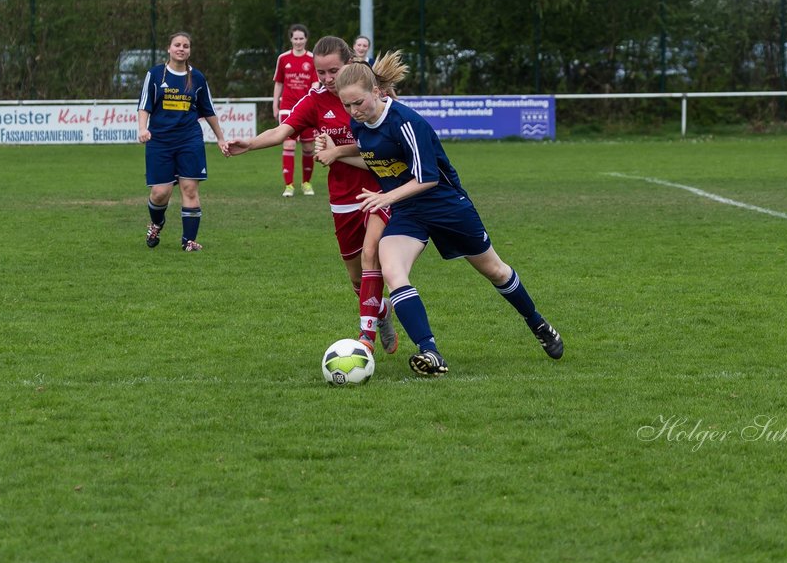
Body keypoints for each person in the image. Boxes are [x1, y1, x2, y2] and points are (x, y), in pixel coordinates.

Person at [328, 53, 564, 376]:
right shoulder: (360, 124)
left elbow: (428, 178)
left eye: (358, 103)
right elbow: (376, 158)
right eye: (347, 106)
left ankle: (538, 323)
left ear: (377, 92)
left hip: (446, 205)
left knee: (495, 271)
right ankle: (430, 352)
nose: (353, 111)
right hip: (407, 211)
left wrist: (385, 197)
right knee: (393, 270)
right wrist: (339, 154)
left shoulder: (407, 122)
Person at [227, 35, 398, 354]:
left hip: (380, 188)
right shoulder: (315, 100)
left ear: (348, 64)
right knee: (357, 281)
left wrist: (336, 152)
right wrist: (249, 144)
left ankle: (366, 339)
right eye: (321, 73)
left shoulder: (371, 94)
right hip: (343, 196)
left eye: (333, 71)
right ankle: (382, 311)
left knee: (370, 252)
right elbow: (282, 132)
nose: (327, 79)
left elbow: (388, 144)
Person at [138, 32, 229, 252]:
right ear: (168, 49)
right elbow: (144, 105)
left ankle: (188, 240)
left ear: (189, 50)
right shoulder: (156, 74)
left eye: (185, 46)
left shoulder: (196, 78)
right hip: (160, 140)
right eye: (177, 45)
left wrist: (220, 137)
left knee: (189, 189)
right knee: (160, 192)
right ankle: (157, 223)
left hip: (189, 139)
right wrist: (142, 128)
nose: (181, 48)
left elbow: (208, 110)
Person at [272, 24, 317, 197]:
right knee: (289, 144)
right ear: (291, 39)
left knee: (308, 147)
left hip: (306, 108)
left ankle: (306, 183)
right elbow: (279, 83)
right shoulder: (283, 58)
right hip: (287, 107)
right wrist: (275, 104)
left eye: (301, 38)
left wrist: (314, 103)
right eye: (295, 38)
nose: (298, 41)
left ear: (306, 39)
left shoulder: (312, 58)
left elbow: (315, 83)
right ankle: (288, 185)